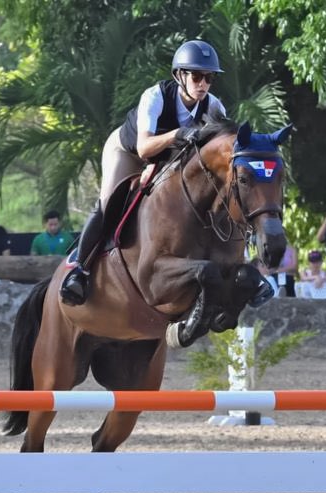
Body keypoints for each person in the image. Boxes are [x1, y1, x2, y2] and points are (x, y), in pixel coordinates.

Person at [61, 39, 226, 306]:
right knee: (109, 203)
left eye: (209, 78)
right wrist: (178, 134)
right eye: (196, 76)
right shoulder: (156, 96)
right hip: (128, 151)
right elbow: (144, 147)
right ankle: (80, 270)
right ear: (179, 75)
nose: (203, 84)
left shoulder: (214, 107)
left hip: (167, 160)